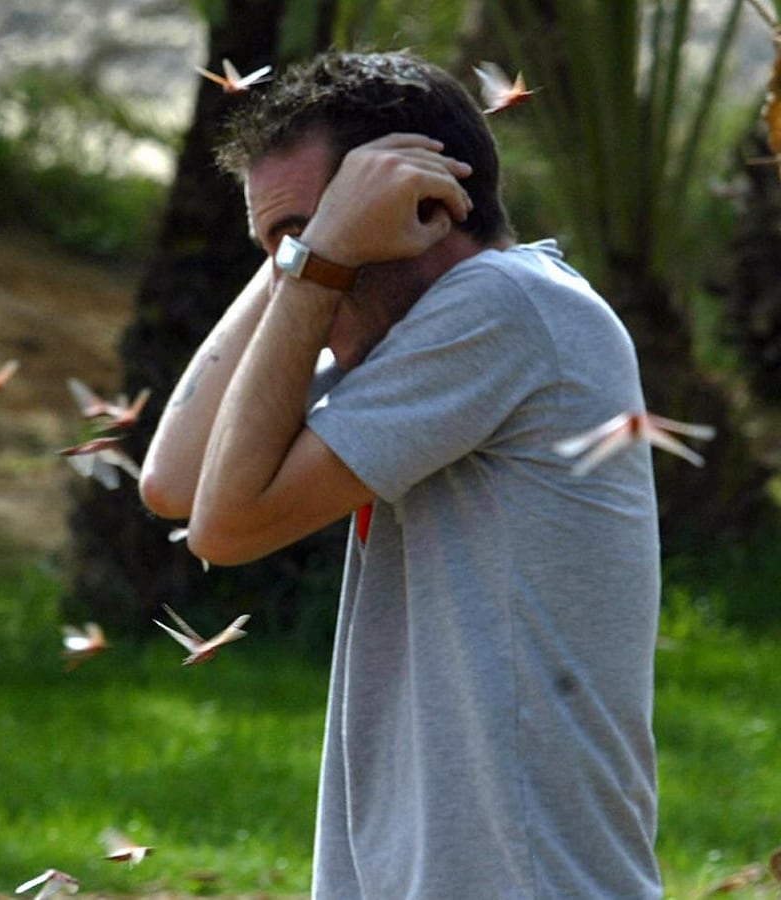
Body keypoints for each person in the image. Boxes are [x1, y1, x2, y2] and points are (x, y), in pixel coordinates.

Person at [139, 51, 661, 899]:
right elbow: (175, 480)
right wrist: (306, 248)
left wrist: (320, 256)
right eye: (277, 248)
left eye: (309, 233)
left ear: (422, 208)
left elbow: (223, 529)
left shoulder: (505, 305)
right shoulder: (392, 331)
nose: (295, 270)